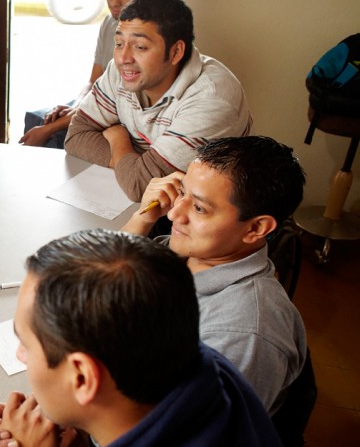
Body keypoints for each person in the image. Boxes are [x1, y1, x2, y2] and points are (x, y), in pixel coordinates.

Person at [0, 229, 289, 447]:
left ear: (82, 378)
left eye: (26, 344)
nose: (21, 355)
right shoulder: (206, 362)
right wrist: (85, 428)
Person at [121, 136, 308, 414]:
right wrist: (142, 217)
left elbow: (191, 439)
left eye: (199, 208)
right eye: (182, 192)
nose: (173, 213)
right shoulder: (185, 255)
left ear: (256, 229)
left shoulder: (244, 335)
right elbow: (98, 279)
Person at [65, 0, 252, 201]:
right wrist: (133, 165)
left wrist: (119, 140)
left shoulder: (212, 98)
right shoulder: (122, 72)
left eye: (140, 47)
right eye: (119, 44)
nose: (123, 58)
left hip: (199, 213)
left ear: (175, 52)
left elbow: (139, 186)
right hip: (140, 202)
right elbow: (76, 137)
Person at [21, 0, 153, 148]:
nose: (114, 2)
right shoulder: (109, 23)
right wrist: (76, 103)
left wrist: (53, 127)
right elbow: (93, 81)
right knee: (39, 117)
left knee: (50, 133)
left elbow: (115, 104)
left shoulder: (150, 37)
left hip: (122, 117)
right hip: (97, 101)